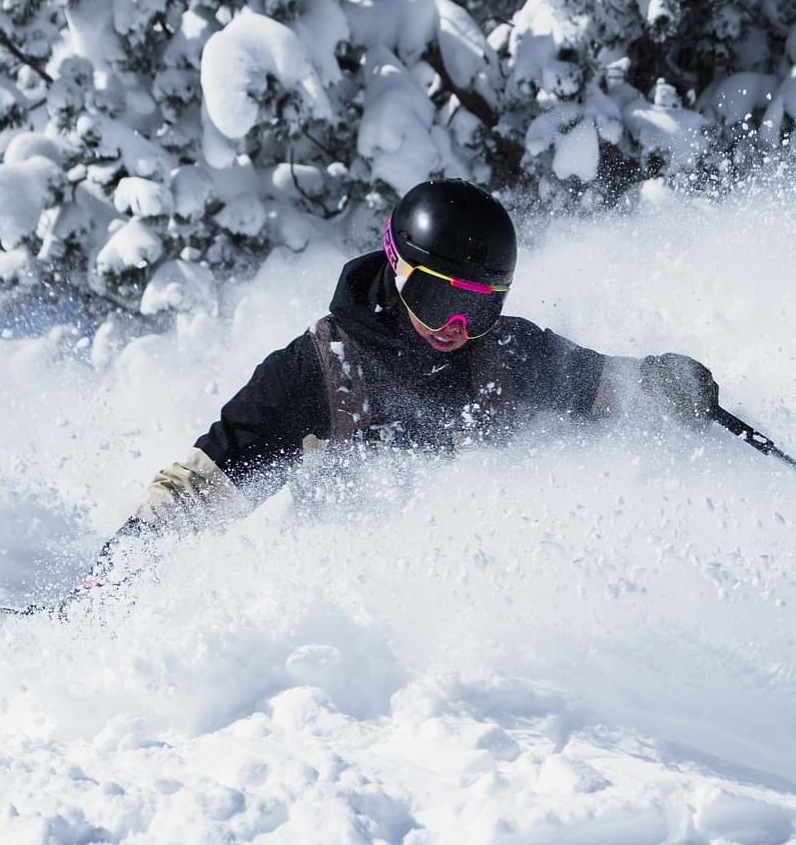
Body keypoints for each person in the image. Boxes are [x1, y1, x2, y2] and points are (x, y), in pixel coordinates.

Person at [74, 178, 718, 594]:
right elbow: (201, 486)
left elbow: (602, 387)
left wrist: (663, 385)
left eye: (480, 307)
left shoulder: (508, 354)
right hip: (356, 618)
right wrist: (112, 585)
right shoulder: (316, 371)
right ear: (397, 266)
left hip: (502, 609)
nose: (457, 327)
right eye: (437, 297)